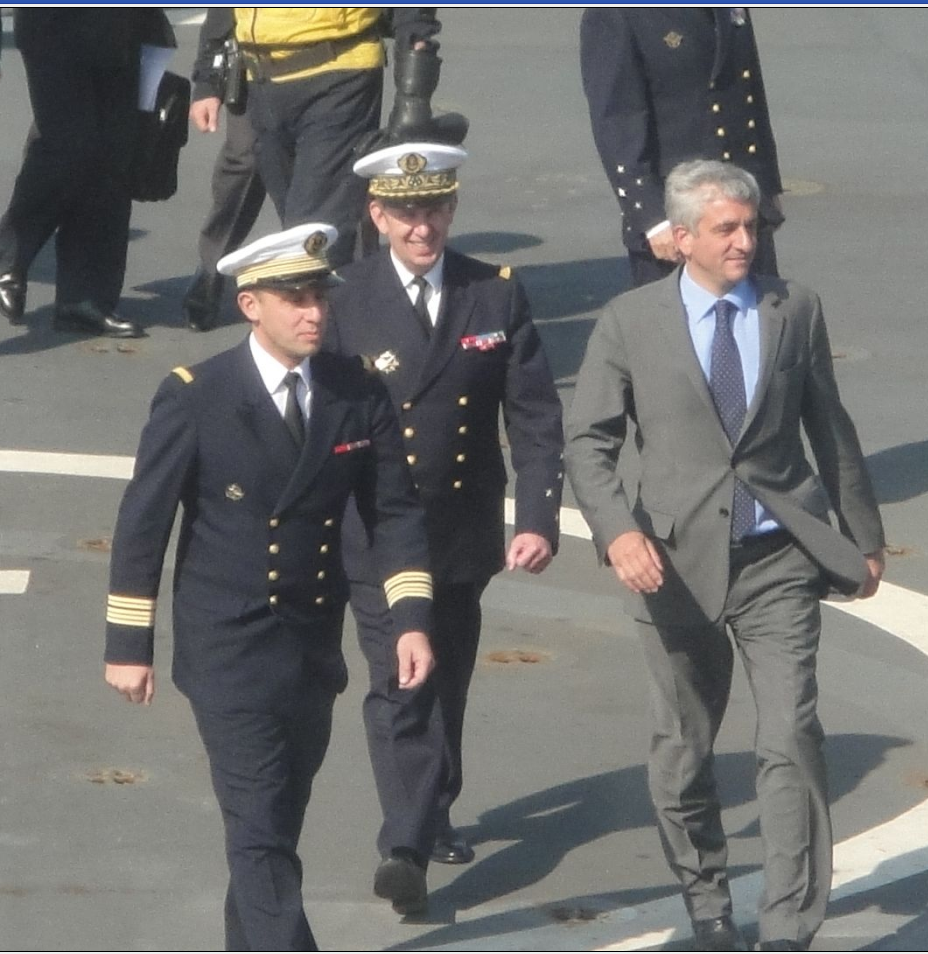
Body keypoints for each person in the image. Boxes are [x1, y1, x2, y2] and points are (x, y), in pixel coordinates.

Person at [564, 160, 886, 952]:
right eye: (726, 229)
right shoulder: (629, 320)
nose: (745, 241)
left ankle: (787, 927)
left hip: (778, 557)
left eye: (751, 227)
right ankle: (707, 902)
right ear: (680, 240)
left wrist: (862, 536)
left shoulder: (792, 310)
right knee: (683, 748)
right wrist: (618, 531)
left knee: (789, 736)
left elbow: (829, 426)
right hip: (671, 563)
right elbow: (588, 440)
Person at [103, 223, 435, 951]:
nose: (314, 311)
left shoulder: (355, 392)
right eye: (295, 298)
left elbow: (395, 512)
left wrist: (409, 617)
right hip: (226, 644)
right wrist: (130, 643)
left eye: (319, 295)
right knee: (257, 823)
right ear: (251, 305)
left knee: (276, 818)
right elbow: (142, 523)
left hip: (311, 646)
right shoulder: (198, 395)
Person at [326, 141, 564, 914]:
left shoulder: (491, 293)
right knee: (403, 679)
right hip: (372, 529)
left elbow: (532, 415)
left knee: (449, 675)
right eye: (404, 213)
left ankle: (433, 803)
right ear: (377, 215)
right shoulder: (343, 298)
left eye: (432, 210)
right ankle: (406, 843)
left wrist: (536, 517)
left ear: (451, 209)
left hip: (460, 526)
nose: (420, 228)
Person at [580, 7, 785, 289]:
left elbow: (748, 90)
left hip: (742, 206)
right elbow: (617, 122)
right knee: (679, 328)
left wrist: (767, 185)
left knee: (761, 324)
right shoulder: (615, 13)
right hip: (679, 213)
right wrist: (651, 217)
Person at [0, 9, 175, 337]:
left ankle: (83, 300)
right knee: (69, 147)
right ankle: (7, 255)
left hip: (127, 25)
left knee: (113, 160)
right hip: (56, 25)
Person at [224, 8, 442, 268]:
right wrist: (207, 71)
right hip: (260, 82)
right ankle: (353, 295)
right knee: (303, 226)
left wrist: (413, 93)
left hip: (338, 74)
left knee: (311, 232)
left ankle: (330, 303)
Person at [181, 7, 268, 332]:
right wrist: (207, 84)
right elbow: (221, 14)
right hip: (257, 59)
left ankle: (333, 283)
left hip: (338, 62)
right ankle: (211, 270)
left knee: (333, 178)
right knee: (243, 162)